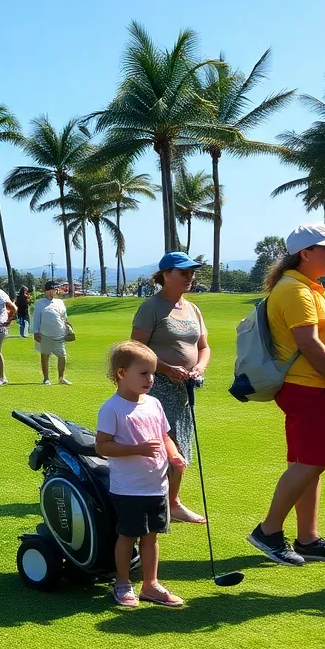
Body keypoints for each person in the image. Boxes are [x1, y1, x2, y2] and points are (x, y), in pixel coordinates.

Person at [249, 225, 325, 566]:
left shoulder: (308, 288)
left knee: (310, 464)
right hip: (311, 387)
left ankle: (308, 538)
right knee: (311, 462)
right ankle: (268, 531)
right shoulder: (294, 290)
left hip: (316, 387)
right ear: (305, 253)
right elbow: (309, 344)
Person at [95, 341, 186, 608]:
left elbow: (164, 435)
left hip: (156, 486)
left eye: (153, 373)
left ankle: (151, 585)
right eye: (143, 373)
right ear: (122, 373)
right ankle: (123, 583)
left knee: (151, 537)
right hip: (128, 488)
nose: (150, 379)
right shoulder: (112, 408)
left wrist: (174, 454)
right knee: (128, 536)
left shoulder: (154, 404)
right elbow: (102, 446)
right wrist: (137, 449)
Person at [130, 252, 210, 524]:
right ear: (165, 275)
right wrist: (166, 368)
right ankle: (165, 502)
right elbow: (137, 348)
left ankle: (171, 501)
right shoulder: (151, 307)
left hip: (184, 388)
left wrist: (199, 367)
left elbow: (203, 347)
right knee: (166, 445)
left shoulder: (192, 309)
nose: (190, 276)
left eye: (191, 272)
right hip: (158, 387)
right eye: (183, 272)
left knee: (180, 445)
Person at [33, 280, 71, 385]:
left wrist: (68, 328)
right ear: (48, 290)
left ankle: (61, 378)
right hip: (45, 334)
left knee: (62, 356)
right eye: (53, 289)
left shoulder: (60, 302)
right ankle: (46, 379)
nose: (55, 291)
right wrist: (36, 332)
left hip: (59, 333)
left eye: (55, 289)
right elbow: (36, 319)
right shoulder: (40, 304)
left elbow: (64, 317)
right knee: (45, 355)